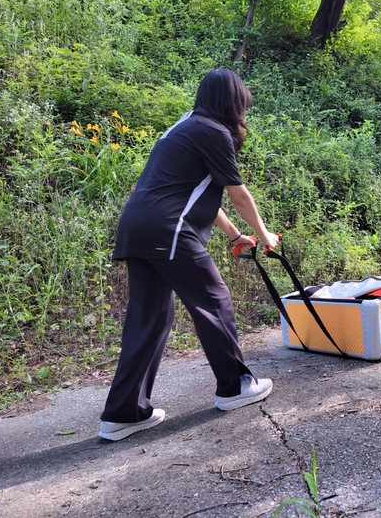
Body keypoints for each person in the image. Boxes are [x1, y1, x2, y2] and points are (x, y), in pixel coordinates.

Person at [98, 68, 280, 441]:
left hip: (137, 226)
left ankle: (123, 413)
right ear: (233, 103)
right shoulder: (213, 132)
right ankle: (234, 387)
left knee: (150, 318)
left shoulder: (185, 125)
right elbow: (236, 192)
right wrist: (264, 235)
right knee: (214, 299)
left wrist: (235, 235)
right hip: (169, 229)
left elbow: (197, 190)